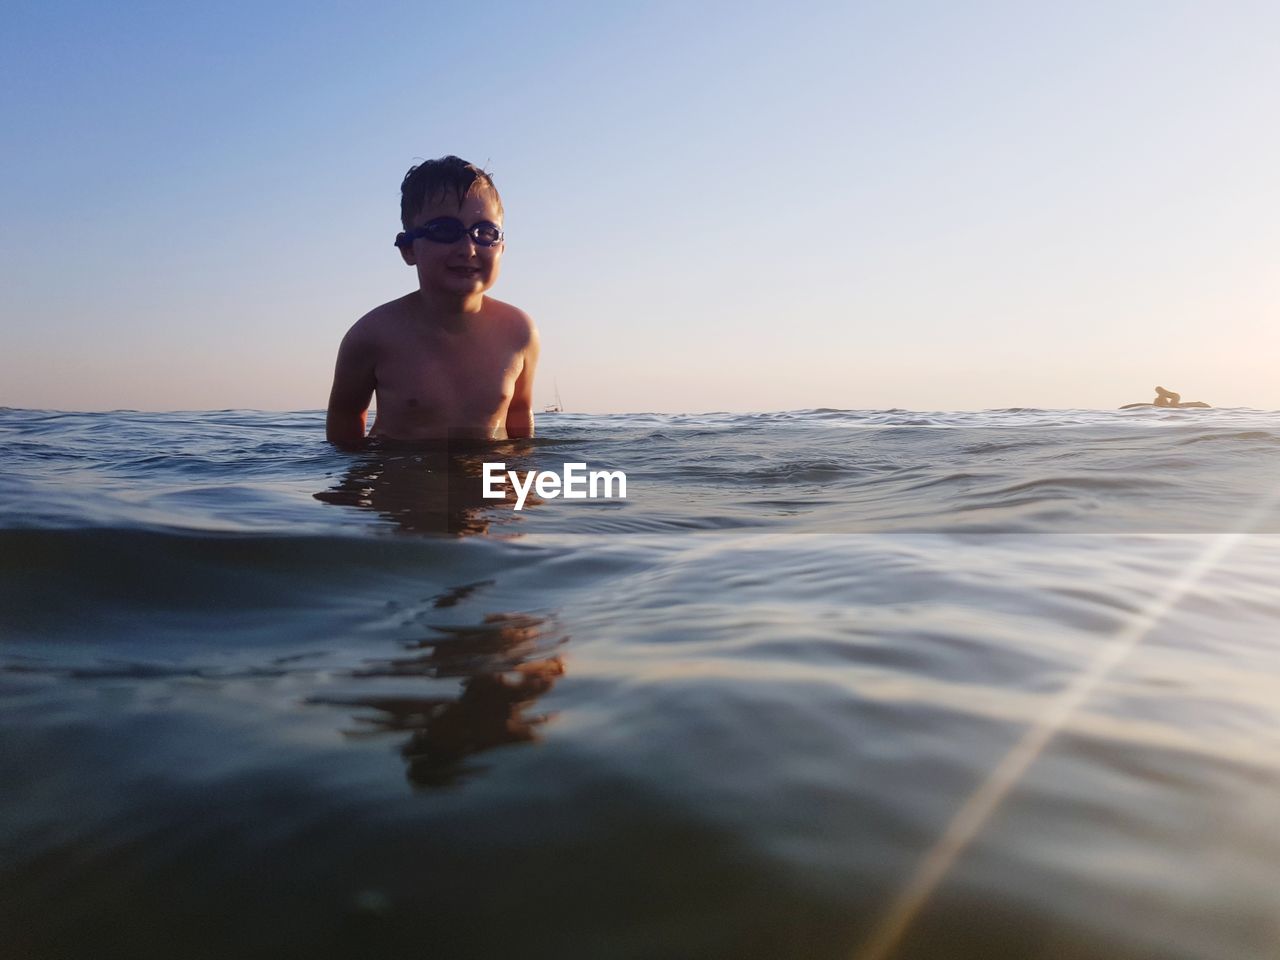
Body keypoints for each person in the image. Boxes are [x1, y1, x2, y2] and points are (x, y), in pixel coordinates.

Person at [326, 156, 539, 446]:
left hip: (485, 480)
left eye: (485, 233)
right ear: (408, 249)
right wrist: (352, 488)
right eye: (444, 231)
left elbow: (520, 413)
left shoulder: (519, 331)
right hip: (403, 481)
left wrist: (521, 485)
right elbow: (344, 418)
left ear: (501, 248)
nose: (468, 249)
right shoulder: (372, 335)